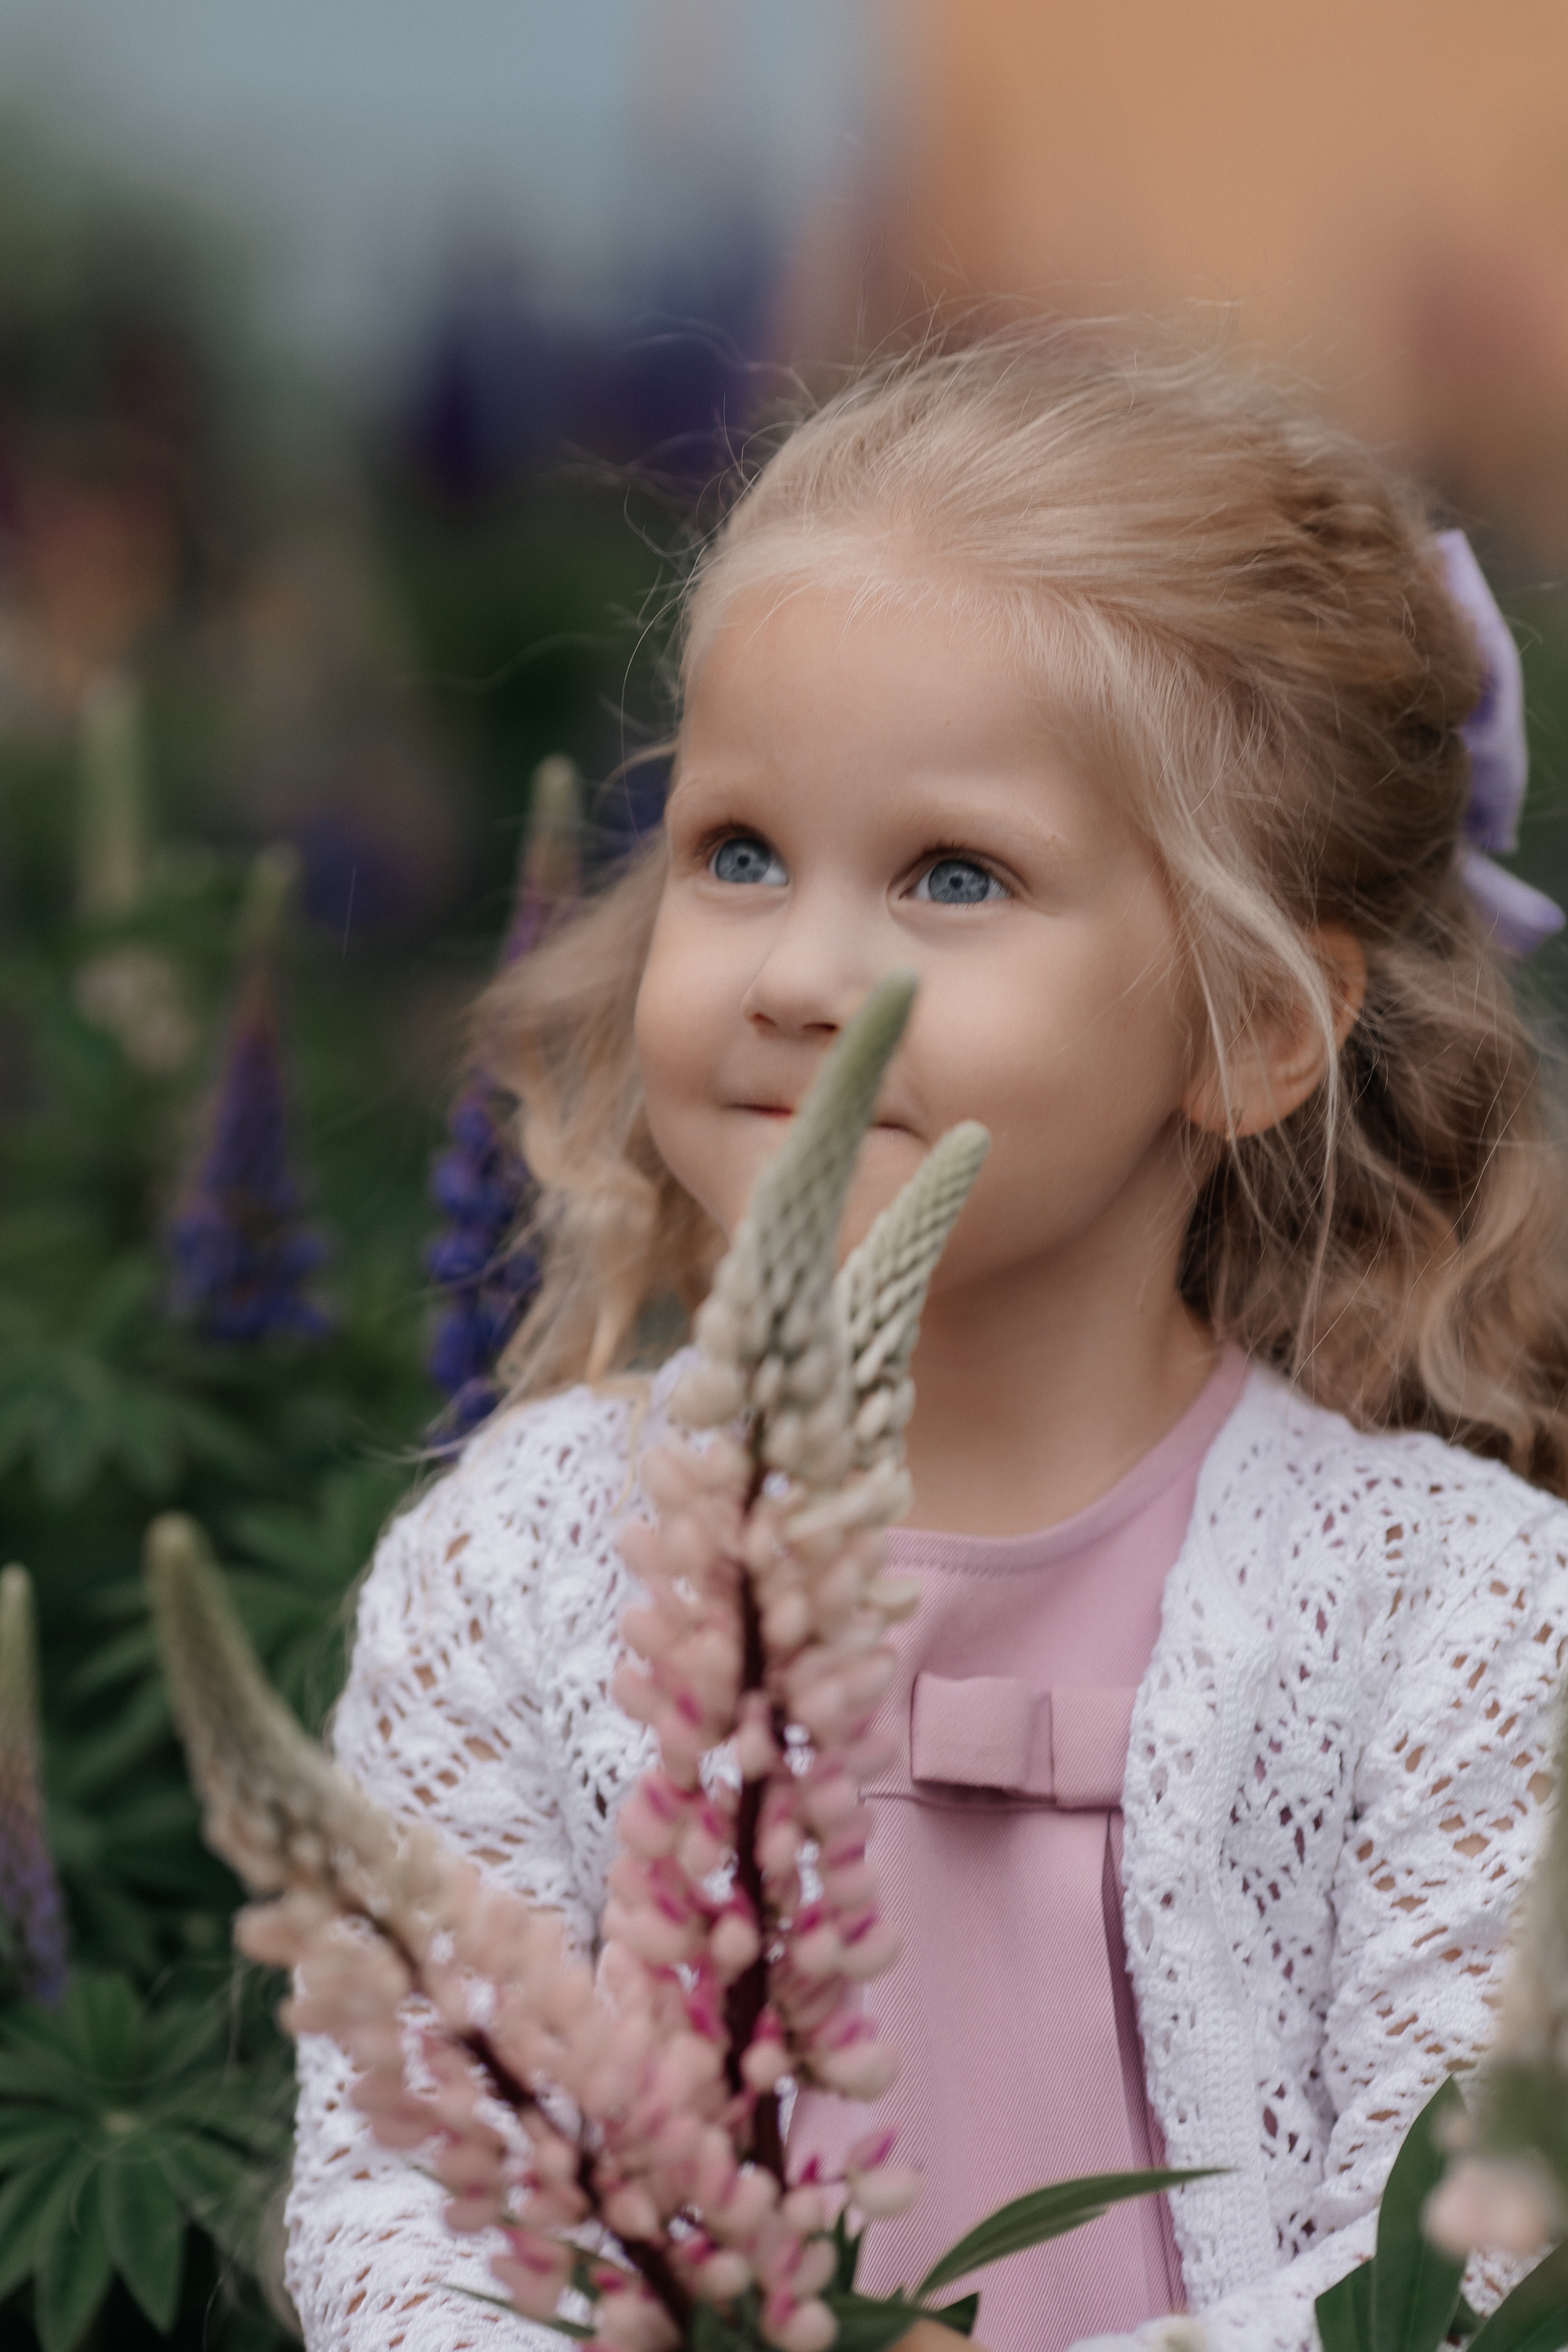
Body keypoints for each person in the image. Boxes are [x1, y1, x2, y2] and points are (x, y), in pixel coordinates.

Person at [284, 331, 1568, 2352]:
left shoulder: (1453, 1609)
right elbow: (412, 2177)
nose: (802, 974)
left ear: (1250, 1029)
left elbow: (1476, 2247)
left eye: (952, 874)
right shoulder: (520, 1556)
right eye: (736, 853)